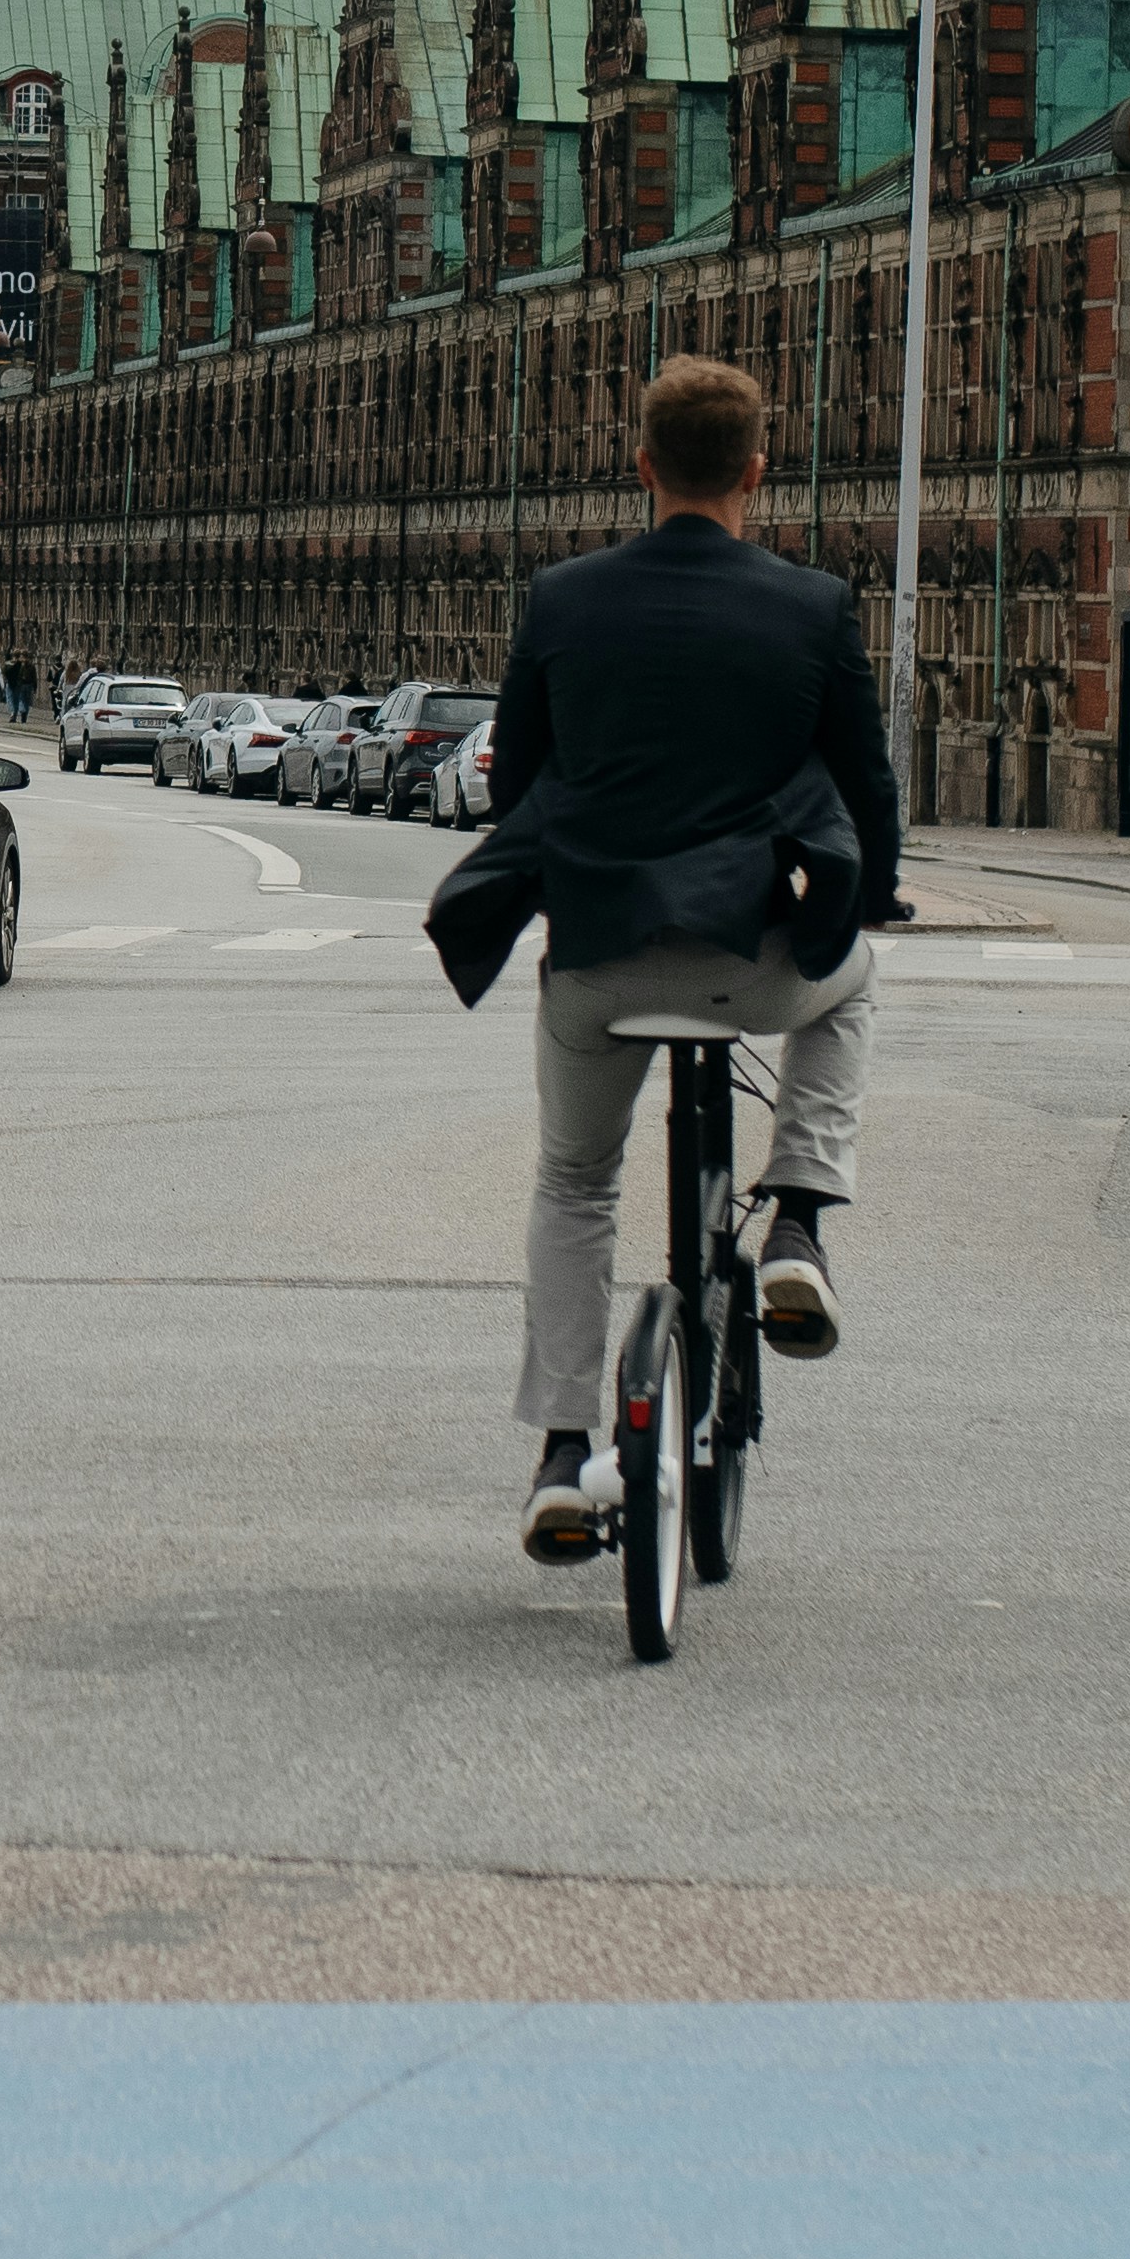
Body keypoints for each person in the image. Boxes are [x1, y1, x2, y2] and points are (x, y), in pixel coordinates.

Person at [422, 352, 898, 1573]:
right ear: (754, 471)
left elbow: (514, 783)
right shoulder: (814, 606)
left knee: (575, 1185)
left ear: (641, 468)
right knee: (851, 991)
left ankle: (559, 1453)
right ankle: (794, 1221)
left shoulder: (561, 598)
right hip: (754, 960)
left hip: (602, 962)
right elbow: (866, 787)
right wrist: (870, 898)